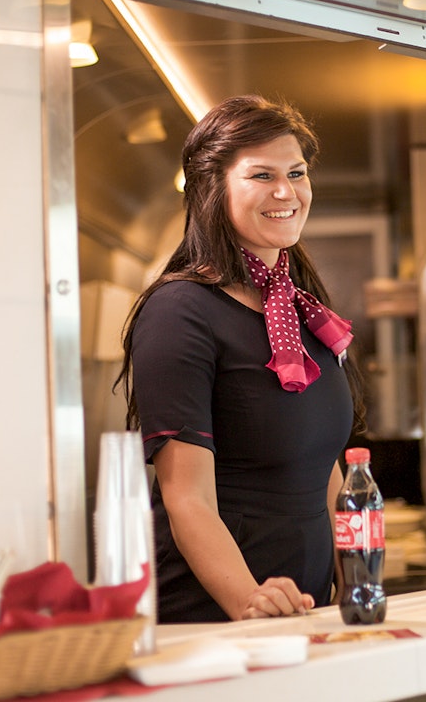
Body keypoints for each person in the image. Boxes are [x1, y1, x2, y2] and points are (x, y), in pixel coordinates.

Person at [115, 95, 366, 622]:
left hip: (304, 612)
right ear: (212, 189)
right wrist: (249, 601)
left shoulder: (302, 310)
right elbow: (187, 499)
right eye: (261, 175)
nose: (286, 191)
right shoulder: (179, 312)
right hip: (218, 619)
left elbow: (323, 468)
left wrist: (354, 581)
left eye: (296, 172)